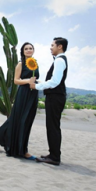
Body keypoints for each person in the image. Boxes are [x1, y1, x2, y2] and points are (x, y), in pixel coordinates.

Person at [0, 42, 39, 160]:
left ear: (33, 50)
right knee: (20, 120)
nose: (29, 50)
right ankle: (21, 150)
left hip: (33, 95)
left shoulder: (35, 64)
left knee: (28, 121)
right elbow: (16, 81)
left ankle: (22, 148)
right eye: (26, 49)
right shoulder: (20, 64)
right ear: (23, 52)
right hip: (23, 94)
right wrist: (28, 81)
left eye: (31, 48)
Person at [30, 37, 68, 166]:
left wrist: (36, 87)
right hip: (55, 96)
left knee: (53, 127)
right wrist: (38, 82)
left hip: (55, 97)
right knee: (52, 126)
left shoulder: (60, 60)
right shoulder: (59, 60)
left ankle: (55, 157)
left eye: (52, 45)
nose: (50, 47)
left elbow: (55, 82)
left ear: (60, 46)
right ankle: (53, 154)